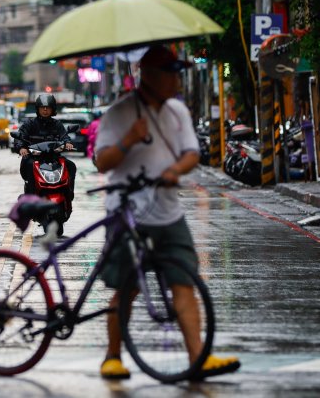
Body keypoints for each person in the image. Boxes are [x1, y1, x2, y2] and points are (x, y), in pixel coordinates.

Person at [94, 45, 240, 380]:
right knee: (126, 287)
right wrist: (128, 139)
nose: (176, 79)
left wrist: (175, 170)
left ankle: (198, 356)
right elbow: (102, 161)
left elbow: (192, 153)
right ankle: (112, 356)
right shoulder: (119, 113)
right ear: (149, 75)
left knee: (184, 282)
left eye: (178, 71)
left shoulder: (178, 111)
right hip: (128, 213)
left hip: (169, 212)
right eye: (170, 71)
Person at [15, 94, 77, 200]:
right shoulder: (29, 124)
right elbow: (20, 137)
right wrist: (21, 148)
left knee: (71, 165)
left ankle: (68, 193)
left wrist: (68, 143)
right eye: (42, 108)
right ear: (37, 109)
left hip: (54, 158)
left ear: (52, 109)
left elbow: (64, 136)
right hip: (34, 158)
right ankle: (31, 195)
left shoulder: (57, 124)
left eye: (48, 108)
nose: (45, 110)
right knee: (29, 165)